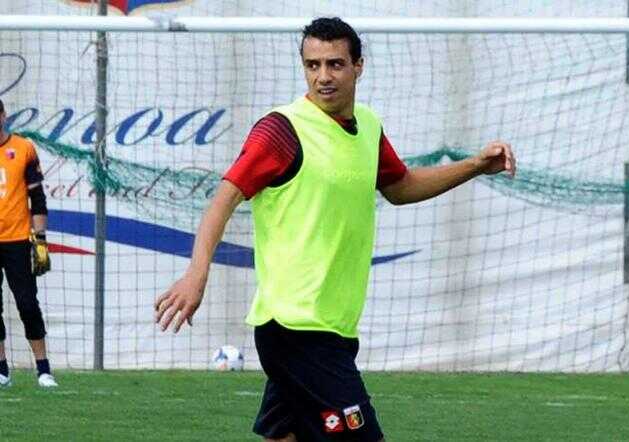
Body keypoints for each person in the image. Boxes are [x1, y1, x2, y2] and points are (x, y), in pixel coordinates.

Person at [155, 17, 515, 442]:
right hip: (297, 328)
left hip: (335, 325)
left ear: (358, 66)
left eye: (335, 64)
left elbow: (400, 186)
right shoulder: (281, 129)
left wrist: (475, 166)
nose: (323, 76)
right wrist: (197, 274)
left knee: (284, 436)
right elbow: (224, 199)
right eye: (313, 65)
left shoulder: (368, 127)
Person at [0, 98, 57, 388]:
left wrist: (40, 239)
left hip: (18, 240)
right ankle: (2, 370)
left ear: (3, 116)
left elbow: (38, 198)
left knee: (27, 303)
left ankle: (43, 369)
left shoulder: (23, 148)